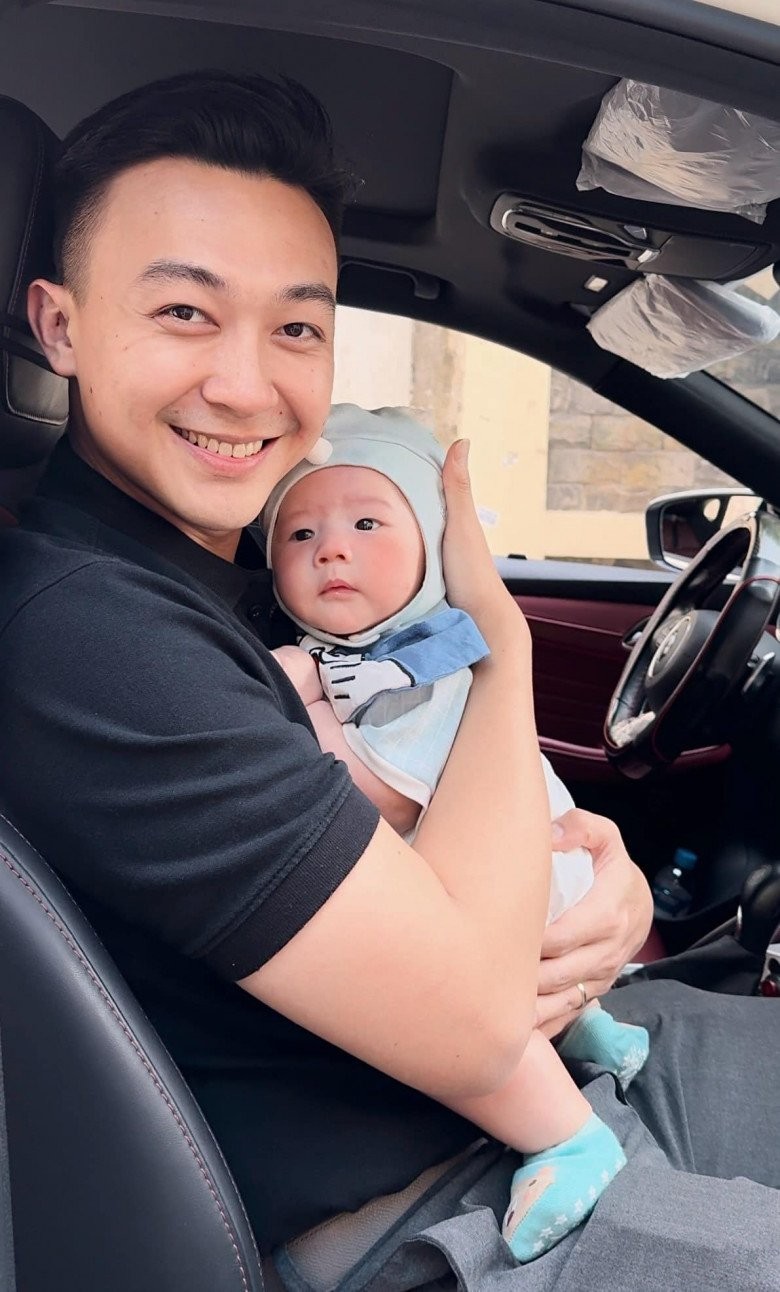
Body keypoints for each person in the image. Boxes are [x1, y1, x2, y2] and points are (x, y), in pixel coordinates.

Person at [0, 68, 778, 1292]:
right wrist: (495, 635)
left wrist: (601, 879)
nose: (247, 385)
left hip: (530, 1100)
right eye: (185, 312)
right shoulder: (93, 633)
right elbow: (478, 1014)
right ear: (59, 326)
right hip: (439, 1219)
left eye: (296, 327)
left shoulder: (226, 575)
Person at [263, 403, 650, 1260]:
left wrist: (302, 713)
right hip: (530, 874)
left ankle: (566, 1137)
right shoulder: (349, 656)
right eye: (300, 534)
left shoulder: (425, 658)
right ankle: (593, 1032)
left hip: (503, 886)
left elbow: (388, 795)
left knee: (429, 997)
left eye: (368, 524)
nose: (331, 550)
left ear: (436, 547)